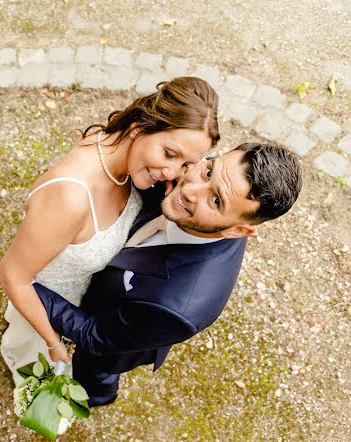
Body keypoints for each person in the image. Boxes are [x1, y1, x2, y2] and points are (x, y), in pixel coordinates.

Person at [32, 143, 302, 408]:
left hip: (125, 330)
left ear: (237, 231)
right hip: (109, 289)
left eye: (216, 200)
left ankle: (97, 397)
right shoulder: (193, 172)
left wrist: (28, 285)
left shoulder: (177, 307)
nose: (189, 189)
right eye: (209, 171)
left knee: (95, 366)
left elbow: (93, 334)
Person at [0, 77, 219, 383]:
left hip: (81, 302)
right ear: (139, 128)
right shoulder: (70, 198)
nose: (172, 173)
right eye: (170, 154)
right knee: (35, 363)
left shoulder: (129, 164)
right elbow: (13, 277)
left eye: (186, 164)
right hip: (42, 305)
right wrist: (52, 341)